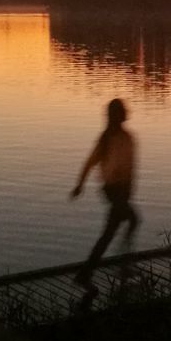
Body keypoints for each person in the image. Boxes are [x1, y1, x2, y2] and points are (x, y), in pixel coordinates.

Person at [70, 98, 140, 287]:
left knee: (109, 233)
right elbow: (90, 163)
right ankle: (123, 264)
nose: (125, 114)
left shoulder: (128, 137)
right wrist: (80, 185)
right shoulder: (106, 139)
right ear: (114, 116)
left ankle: (85, 274)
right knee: (132, 220)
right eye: (121, 112)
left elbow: (131, 166)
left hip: (123, 191)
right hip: (112, 190)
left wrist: (130, 188)